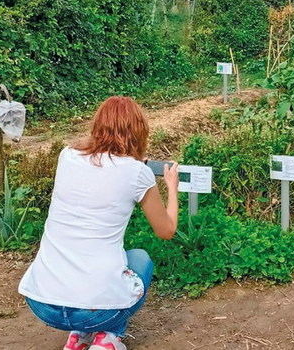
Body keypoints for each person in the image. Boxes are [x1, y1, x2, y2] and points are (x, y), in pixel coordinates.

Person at [18, 96, 179, 350]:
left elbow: (102, 169)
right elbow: (166, 230)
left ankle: (79, 336)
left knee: (93, 267)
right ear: (139, 131)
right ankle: (108, 338)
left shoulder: (67, 156)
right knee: (139, 259)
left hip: (42, 303)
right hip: (95, 311)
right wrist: (171, 187)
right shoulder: (138, 173)